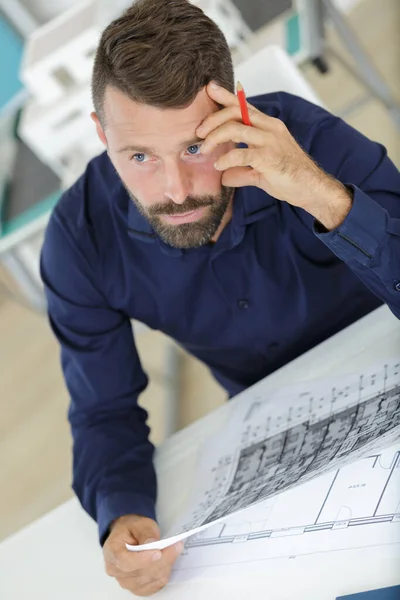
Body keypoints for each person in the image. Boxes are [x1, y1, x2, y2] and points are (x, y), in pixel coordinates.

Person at [40, 0, 400, 595]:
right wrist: (123, 511)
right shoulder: (79, 239)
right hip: (281, 443)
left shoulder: (306, 140)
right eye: (139, 157)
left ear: (234, 111)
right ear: (101, 135)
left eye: (191, 148)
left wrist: (320, 195)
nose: (175, 190)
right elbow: (103, 411)